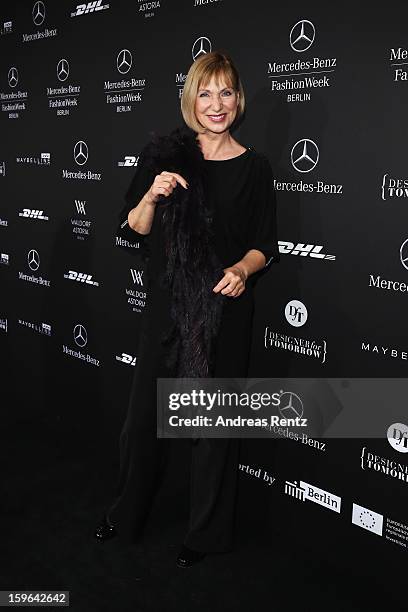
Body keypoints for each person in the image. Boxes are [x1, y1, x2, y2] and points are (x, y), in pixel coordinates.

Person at [94, 51, 279, 568]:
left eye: (225, 93)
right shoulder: (164, 156)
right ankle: (126, 512)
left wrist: (243, 270)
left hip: (224, 311)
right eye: (205, 92)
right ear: (190, 99)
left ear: (238, 100)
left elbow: (264, 244)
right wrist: (150, 196)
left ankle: (205, 535)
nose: (215, 104)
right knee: (143, 423)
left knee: (212, 431)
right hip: (168, 313)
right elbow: (132, 229)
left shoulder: (255, 167)